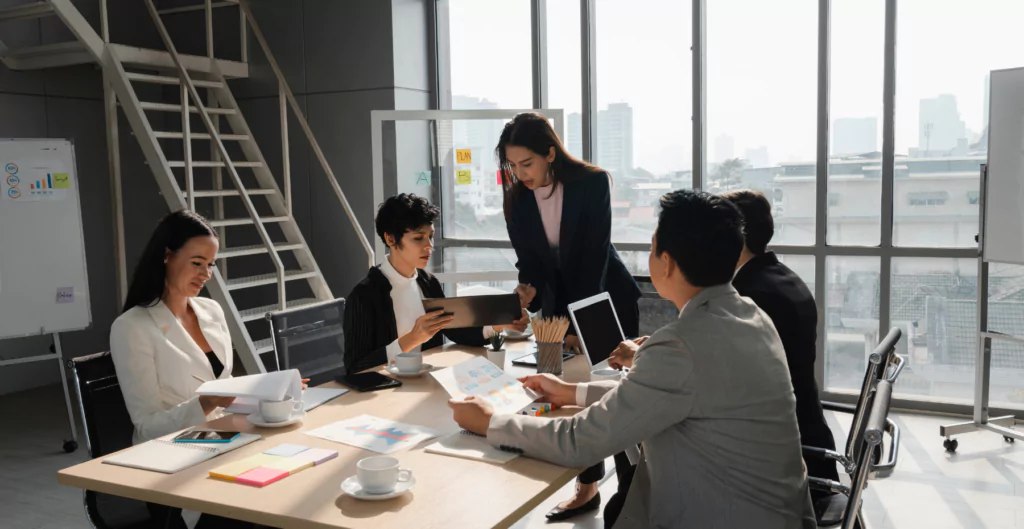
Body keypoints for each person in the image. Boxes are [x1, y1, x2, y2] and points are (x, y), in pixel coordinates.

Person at [450, 190, 816, 529]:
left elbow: (580, 441)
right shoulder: (748, 314)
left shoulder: (682, 344)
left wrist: (490, 421)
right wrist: (572, 392)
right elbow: (661, 397)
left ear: (667, 263)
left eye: (653, 248)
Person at [497, 112, 641, 520]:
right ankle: (588, 486)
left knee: (618, 394)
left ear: (550, 153)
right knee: (568, 394)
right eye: (513, 165)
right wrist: (527, 290)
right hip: (560, 307)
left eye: (527, 164)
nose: (520, 173)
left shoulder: (591, 183)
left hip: (605, 302)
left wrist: (582, 326)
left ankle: (634, 490)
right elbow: (532, 263)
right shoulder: (518, 200)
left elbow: (594, 257)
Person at [109, 210, 253, 529]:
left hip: (222, 440)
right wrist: (206, 403)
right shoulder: (131, 327)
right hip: (172, 457)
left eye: (211, 265)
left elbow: (222, 386)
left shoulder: (211, 311)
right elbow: (146, 426)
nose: (206, 274)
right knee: (261, 505)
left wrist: (268, 394)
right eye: (197, 262)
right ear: (167, 257)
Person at [722, 189, 840, 496]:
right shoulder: (782, 277)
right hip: (807, 436)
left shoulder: (753, 296)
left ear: (736, 234)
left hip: (788, 459)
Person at [344, 194, 528, 374]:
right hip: (386, 393)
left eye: (430, 236)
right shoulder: (364, 295)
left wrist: (499, 324)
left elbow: (455, 331)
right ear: (391, 239)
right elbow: (355, 366)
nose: (429, 245)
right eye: (418, 238)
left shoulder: (427, 282)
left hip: (428, 381)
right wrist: (411, 339)